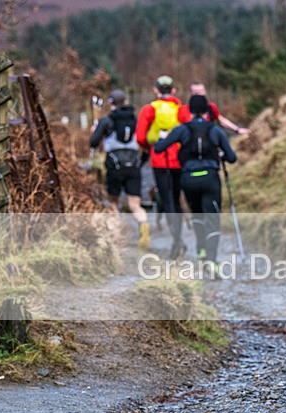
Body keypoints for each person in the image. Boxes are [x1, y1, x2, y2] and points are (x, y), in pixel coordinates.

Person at [154, 94, 237, 277]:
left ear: (190, 111)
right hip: (210, 179)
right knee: (212, 218)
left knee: (197, 213)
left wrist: (163, 137)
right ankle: (212, 261)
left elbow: (159, 148)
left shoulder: (182, 130)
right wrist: (220, 153)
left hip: (188, 179)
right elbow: (232, 158)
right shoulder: (215, 131)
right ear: (207, 111)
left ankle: (200, 249)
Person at [90, 89, 150, 250]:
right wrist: (140, 162)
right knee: (135, 204)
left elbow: (93, 143)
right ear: (125, 102)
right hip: (133, 166)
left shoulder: (106, 121)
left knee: (114, 203)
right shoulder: (136, 120)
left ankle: (118, 235)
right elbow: (146, 144)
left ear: (111, 103)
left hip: (114, 167)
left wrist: (94, 132)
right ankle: (143, 224)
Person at [136, 75, 186, 260]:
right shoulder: (180, 110)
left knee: (167, 200)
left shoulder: (149, 110)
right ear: (174, 90)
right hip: (178, 160)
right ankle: (178, 240)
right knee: (176, 198)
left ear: (155, 90)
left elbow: (140, 136)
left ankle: (177, 242)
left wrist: (149, 147)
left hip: (159, 160)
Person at [178, 82, 251, 137]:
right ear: (191, 93)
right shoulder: (182, 110)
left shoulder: (211, 107)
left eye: (201, 91)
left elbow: (221, 120)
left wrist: (237, 129)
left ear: (205, 92)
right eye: (196, 92)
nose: (198, 94)